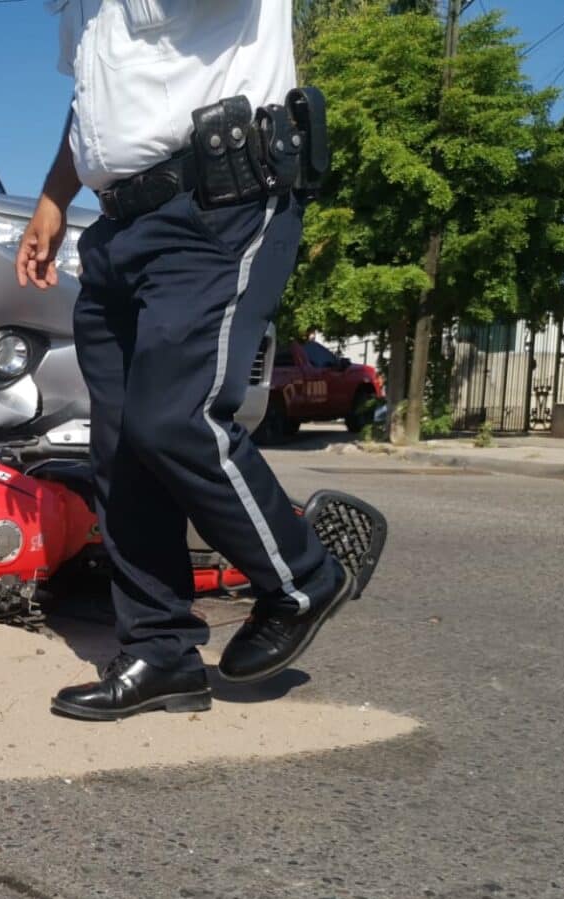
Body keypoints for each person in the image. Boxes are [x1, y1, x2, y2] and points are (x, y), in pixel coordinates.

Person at [20, 0, 352, 722]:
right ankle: (160, 653)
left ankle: (304, 575)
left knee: (176, 417)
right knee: (120, 450)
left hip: (217, 204)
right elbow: (95, 104)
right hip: (118, 228)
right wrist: (53, 200)